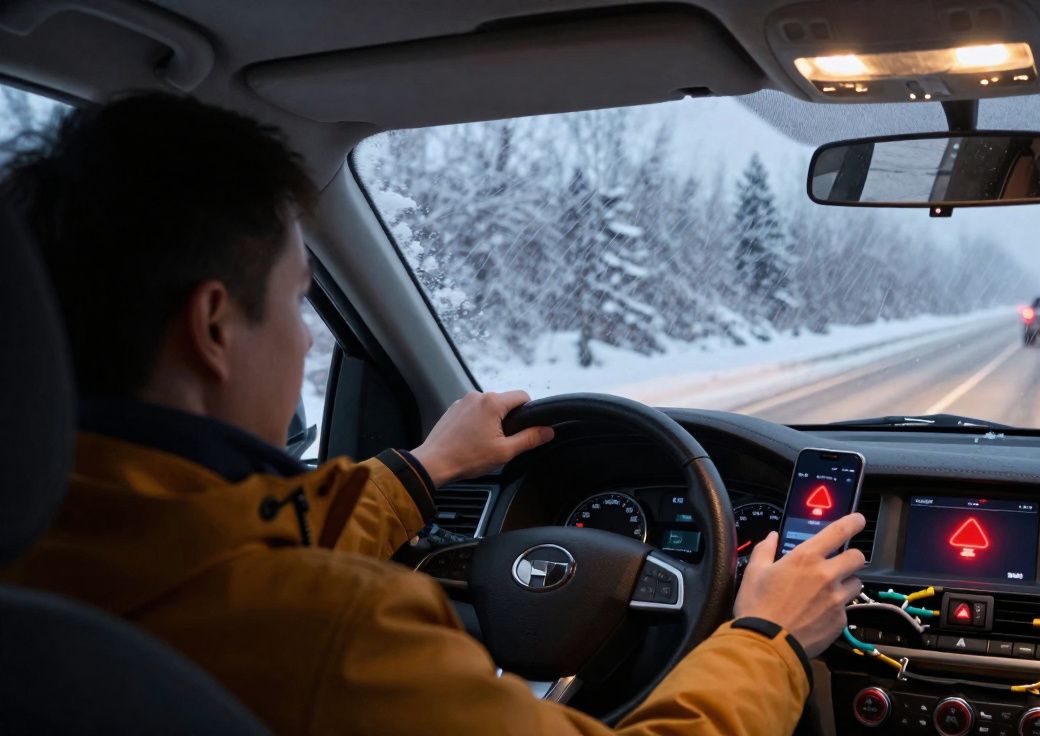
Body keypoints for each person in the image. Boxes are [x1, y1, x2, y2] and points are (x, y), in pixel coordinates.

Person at [0, 93, 867, 735]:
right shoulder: (335, 637)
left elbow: (228, 541)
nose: (307, 340)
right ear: (214, 327)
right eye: (299, 301)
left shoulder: (63, 544)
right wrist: (769, 635)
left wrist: (428, 468)